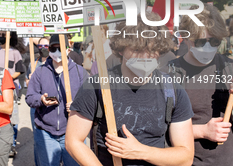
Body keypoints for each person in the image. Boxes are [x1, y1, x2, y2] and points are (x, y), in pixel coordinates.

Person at [66, 13, 194, 166]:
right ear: (121, 48)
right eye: (138, 49)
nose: (146, 56)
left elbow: (185, 156)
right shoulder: (96, 86)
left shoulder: (173, 90)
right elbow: (73, 141)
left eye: (153, 50)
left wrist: (140, 151)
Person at [161, 4, 233, 166]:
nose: (207, 48)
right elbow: (157, 126)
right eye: (200, 42)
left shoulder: (229, 68)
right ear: (185, 39)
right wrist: (203, 131)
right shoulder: (168, 74)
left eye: (214, 41)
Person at [26, 34, 89, 166]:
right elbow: (30, 97)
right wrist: (41, 99)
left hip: (73, 133)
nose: (57, 52)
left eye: (60, 48)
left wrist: (78, 105)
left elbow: (90, 101)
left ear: (68, 49)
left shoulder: (80, 72)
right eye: (53, 49)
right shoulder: (40, 72)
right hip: (46, 133)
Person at [0, 31, 26, 157]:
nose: (1, 36)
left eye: (3, 34)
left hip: (11, 87)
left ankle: (12, 143)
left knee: (13, 115)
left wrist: (8, 78)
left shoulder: (14, 52)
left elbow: (20, 70)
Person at [25, 36, 50, 166]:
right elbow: (28, 86)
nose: (43, 49)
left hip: (51, 105)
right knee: (38, 138)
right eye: (40, 46)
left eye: (46, 46)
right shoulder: (33, 63)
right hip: (36, 105)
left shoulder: (55, 62)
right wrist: (29, 82)